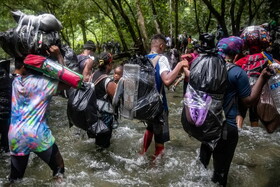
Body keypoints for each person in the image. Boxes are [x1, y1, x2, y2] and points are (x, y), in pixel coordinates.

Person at [198, 36, 272, 186]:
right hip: (227, 128)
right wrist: (263, 78)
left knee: (201, 170)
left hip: (206, 124)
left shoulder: (206, 66)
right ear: (238, 53)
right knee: (220, 176)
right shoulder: (237, 72)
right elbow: (249, 101)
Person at [8, 46, 69, 182]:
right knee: (59, 168)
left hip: (15, 136)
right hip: (37, 134)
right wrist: (58, 56)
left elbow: (17, 70)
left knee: (15, 179)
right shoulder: (43, 83)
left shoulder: (14, 81)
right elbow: (68, 81)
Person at [141, 34, 188, 159]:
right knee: (160, 140)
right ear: (161, 46)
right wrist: (179, 65)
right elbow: (167, 81)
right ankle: (155, 169)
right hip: (158, 106)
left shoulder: (144, 58)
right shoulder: (161, 59)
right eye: (165, 46)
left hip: (145, 104)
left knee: (150, 127)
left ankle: (142, 154)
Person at [90, 52, 117, 148]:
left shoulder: (92, 75)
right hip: (104, 116)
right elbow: (117, 98)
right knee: (104, 145)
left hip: (93, 113)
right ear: (109, 65)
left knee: (98, 141)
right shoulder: (107, 81)